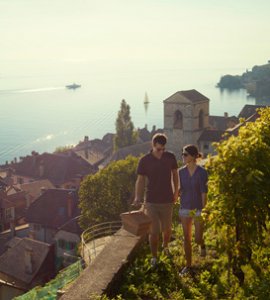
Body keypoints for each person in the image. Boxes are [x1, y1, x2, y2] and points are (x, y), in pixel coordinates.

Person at [133, 133, 179, 267]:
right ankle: (154, 257)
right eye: (159, 149)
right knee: (153, 232)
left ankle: (165, 247)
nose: (161, 152)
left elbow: (175, 175)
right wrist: (137, 196)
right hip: (151, 201)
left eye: (163, 149)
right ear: (153, 146)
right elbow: (140, 180)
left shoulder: (170, 157)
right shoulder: (145, 160)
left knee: (167, 229)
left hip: (167, 199)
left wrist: (176, 191)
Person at [178, 144, 208, 275]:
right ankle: (188, 266)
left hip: (197, 209)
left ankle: (202, 244)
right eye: (182, 154)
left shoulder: (202, 172)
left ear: (193, 156)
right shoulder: (180, 172)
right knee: (187, 238)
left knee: (197, 238)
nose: (182, 157)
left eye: (185, 154)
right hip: (185, 207)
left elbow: (203, 192)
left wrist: (202, 209)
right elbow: (179, 190)